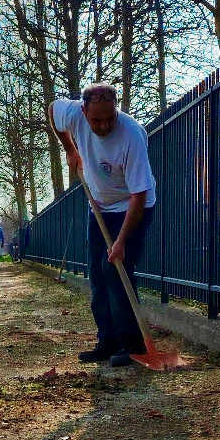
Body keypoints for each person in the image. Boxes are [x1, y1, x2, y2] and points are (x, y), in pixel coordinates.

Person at [48, 82, 156, 367]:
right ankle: (106, 342)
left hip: (133, 207)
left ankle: (131, 344)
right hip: (98, 205)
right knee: (96, 273)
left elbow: (139, 194)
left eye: (111, 117)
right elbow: (52, 110)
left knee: (116, 271)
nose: (105, 125)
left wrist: (120, 241)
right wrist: (70, 149)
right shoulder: (72, 114)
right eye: (97, 120)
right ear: (83, 112)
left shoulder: (131, 135)